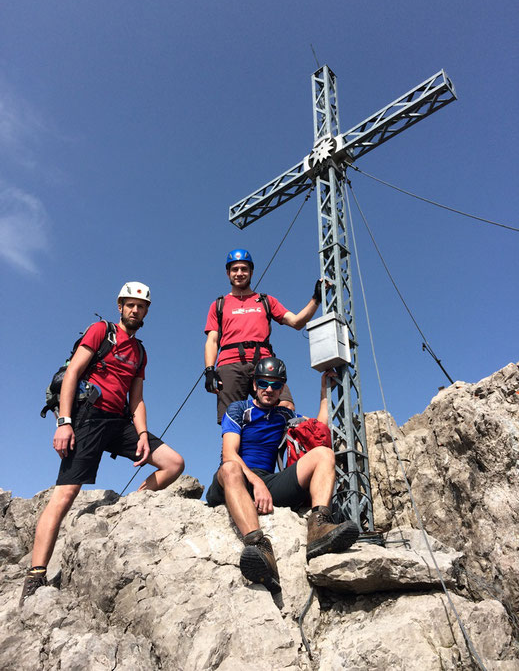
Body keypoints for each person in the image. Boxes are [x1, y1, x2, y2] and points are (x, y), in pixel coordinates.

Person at [20, 282, 185, 605]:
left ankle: (131, 506)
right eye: (130, 305)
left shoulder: (140, 352)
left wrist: (141, 435)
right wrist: (64, 422)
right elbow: (73, 375)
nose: (135, 310)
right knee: (66, 492)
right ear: (120, 307)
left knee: (174, 463)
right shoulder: (101, 331)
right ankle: (35, 575)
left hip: (120, 421)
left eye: (141, 306)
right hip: (89, 417)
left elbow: (136, 399)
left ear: (146, 312)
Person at [206, 357, 359, 593]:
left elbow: (318, 429)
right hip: (234, 478)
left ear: (281, 388)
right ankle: (259, 547)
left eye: (276, 385)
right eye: (264, 383)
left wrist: (324, 391)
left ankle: (318, 527)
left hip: (268, 480)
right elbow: (229, 454)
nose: (269, 389)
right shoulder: (239, 409)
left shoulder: (283, 416)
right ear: (255, 385)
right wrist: (256, 482)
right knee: (230, 468)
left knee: (324, 454)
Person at [204, 249, 326, 423]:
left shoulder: (265, 301)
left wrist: (316, 298)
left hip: (264, 363)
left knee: (285, 407)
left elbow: (296, 322)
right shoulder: (218, 304)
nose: (239, 273)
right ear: (228, 273)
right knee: (232, 420)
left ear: (251, 272)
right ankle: (233, 451)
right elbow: (212, 340)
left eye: (244, 269)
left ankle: (273, 449)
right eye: (235, 269)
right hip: (229, 364)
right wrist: (209, 370)